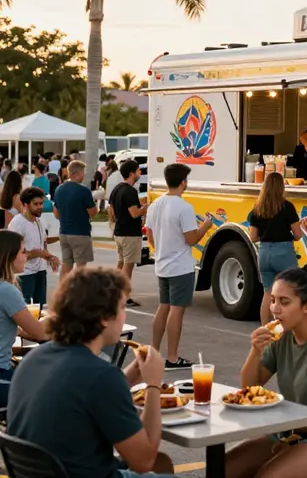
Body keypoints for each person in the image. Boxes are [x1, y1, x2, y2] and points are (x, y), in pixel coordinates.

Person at [7, 266, 174, 477]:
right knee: (157, 464)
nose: (124, 316)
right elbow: (144, 460)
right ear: (104, 317)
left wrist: (132, 373)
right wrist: (153, 384)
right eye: (123, 307)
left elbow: (87, 392)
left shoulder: (34, 359)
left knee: (163, 463)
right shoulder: (100, 376)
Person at [226, 263, 307, 478]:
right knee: (223, 469)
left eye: (284, 302)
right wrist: (255, 350)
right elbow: (249, 388)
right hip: (290, 430)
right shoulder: (283, 336)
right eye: (273, 300)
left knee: (269, 476)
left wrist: (287, 433)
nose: (275, 309)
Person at [146, 163, 215, 370]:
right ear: (183, 182)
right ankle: (173, 358)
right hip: (181, 267)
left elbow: (150, 235)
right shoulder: (184, 207)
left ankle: (154, 353)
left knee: (163, 307)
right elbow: (192, 239)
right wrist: (206, 225)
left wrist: (163, 248)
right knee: (177, 311)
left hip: (162, 264)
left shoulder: (155, 205)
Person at [0, 229, 50, 405]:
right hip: (2, 376)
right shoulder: (6, 290)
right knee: (54, 392)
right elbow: (41, 334)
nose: (26, 256)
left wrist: (20, 331)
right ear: (9, 256)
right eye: (23, 251)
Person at [248, 172, 302, 325]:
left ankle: (265, 328)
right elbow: (298, 234)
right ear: (281, 187)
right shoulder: (287, 207)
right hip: (283, 252)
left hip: (264, 252)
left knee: (268, 293)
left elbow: (252, 237)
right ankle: (287, 326)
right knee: (291, 291)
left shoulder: (258, 208)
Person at [9, 187, 60, 304]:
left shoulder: (39, 220)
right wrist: (39, 253)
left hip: (40, 271)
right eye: (36, 204)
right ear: (25, 204)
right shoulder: (18, 223)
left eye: (41, 203)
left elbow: (42, 242)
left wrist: (50, 257)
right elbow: (14, 253)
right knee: (25, 308)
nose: (40, 207)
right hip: (24, 274)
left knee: (40, 308)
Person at [109, 159, 148, 307]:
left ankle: (113, 292)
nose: (140, 173)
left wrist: (116, 221)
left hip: (119, 232)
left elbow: (110, 211)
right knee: (128, 266)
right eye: (138, 170)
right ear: (132, 173)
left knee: (120, 263)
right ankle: (124, 297)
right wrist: (145, 208)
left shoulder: (117, 188)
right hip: (130, 234)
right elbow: (134, 213)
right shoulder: (130, 191)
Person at [53, 160, 98, 280]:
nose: (84, 176)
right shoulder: (83, 191)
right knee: (81, 268)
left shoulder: (59, 189)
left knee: (66, 265)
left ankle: (62, 293)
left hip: (64, 232)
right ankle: (78, 294)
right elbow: (93, 212)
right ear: (77, 173)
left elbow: (56, 214)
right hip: (80, 233)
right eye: (83, 172)